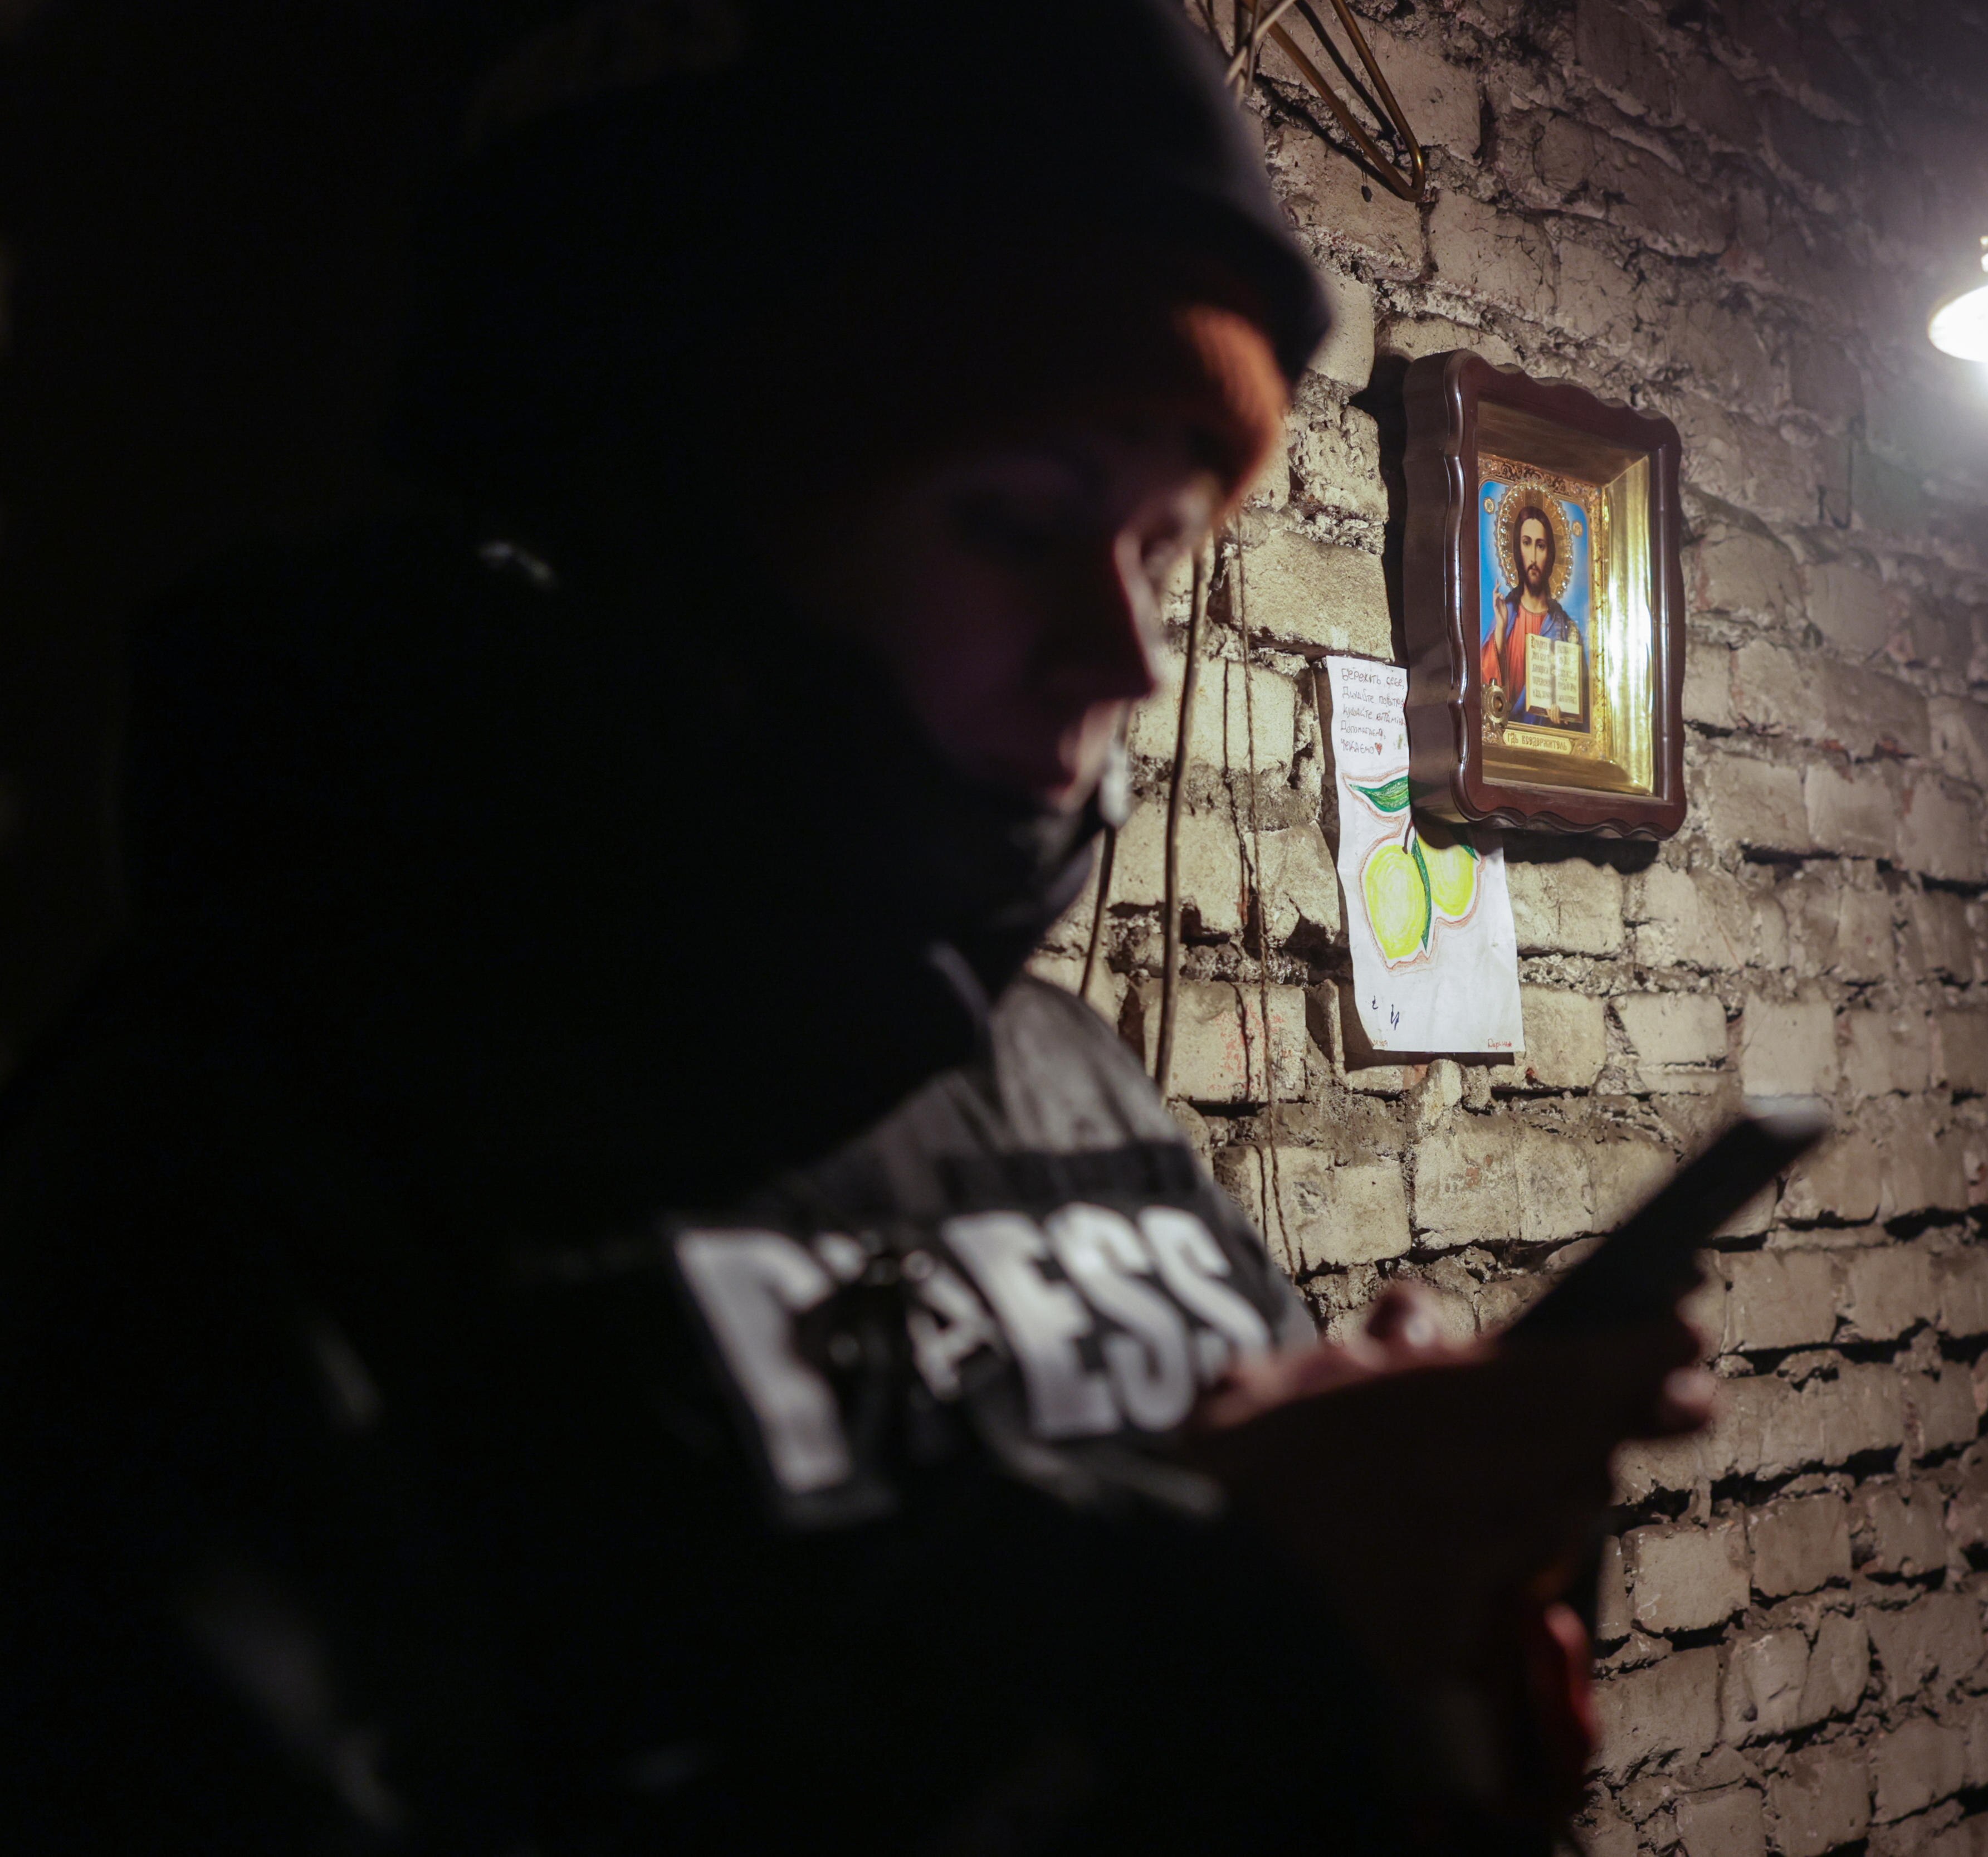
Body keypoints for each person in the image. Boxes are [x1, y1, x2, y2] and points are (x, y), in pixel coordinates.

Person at [0, 3, 1708, 1852]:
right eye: (1014, 523)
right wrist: (1199, 1604)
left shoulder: (1043, 1073)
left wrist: (1424, 1575)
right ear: (683, 520)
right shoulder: (234, 1158)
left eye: (1156, 548)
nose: (1124, 655)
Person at [1484, 495, 1586, 729]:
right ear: (1517, 549)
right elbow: (1488, 693)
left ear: (1550, 554)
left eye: (1540, 546)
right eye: (1526, 543)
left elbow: (1582, 703)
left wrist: (1564, 716)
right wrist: (1500, 629)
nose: (1532, 557)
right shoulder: (1506, 614)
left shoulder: (1566, 628)